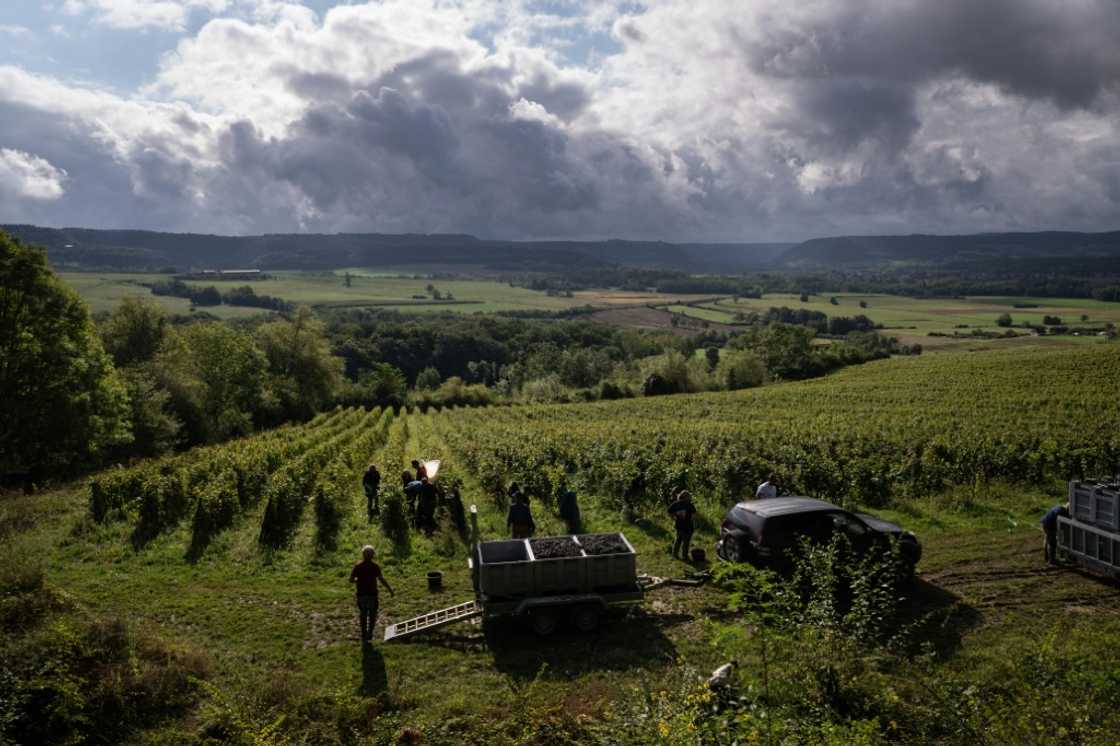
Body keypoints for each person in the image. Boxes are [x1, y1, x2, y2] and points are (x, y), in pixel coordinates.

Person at [349, 545, 394, 643]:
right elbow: (381, 579)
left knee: (363, 614)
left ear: (363, 555)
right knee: (372, 615)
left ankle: (364, 634)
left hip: (361, 594)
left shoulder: (358, 566)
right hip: (372, 594)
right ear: (373, 555)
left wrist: (357, 580)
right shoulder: (375, 566)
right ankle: (370, 634)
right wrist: (390, 590)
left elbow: (351, 580)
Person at [667, 489, 697, 560]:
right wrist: (692, 521)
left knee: (678, 540)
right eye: (689, 496)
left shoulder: (676, 503)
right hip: (688, 526)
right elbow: (694, 515)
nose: (690, 498)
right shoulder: (689, 504)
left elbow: (669, 511)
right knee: (686, 542)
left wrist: (673, 518)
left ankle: (675, 554)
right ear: (686, 497)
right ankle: (685, 556)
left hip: (678, 525)